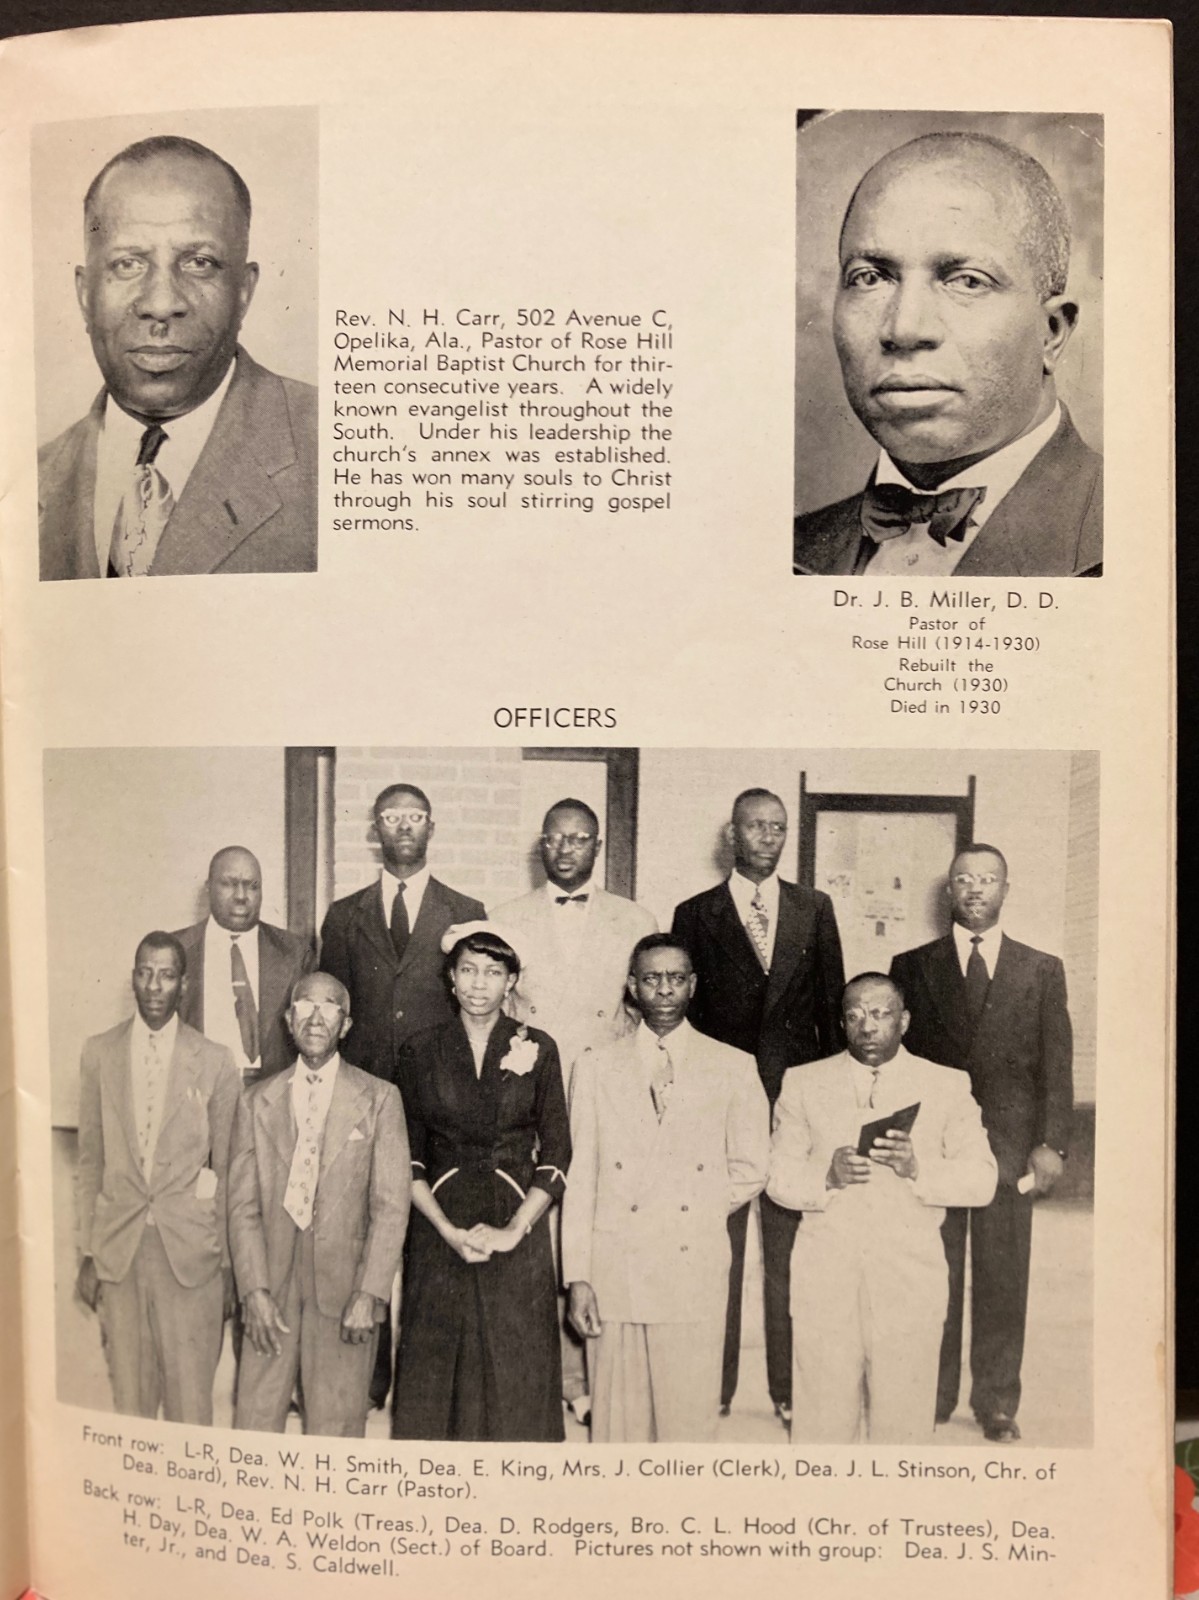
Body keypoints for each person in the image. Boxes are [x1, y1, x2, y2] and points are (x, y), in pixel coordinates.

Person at [793, 131, 1102, 579]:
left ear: (1051, 333)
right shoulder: (787, 551)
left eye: (967, 281)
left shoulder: (1144, 537)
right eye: (870, 278)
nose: (904, 329)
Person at [39, 134, 317, 580]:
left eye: (199, 262)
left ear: (244, 291)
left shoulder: (333, 446)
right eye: (128, 264)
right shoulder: (26, 485)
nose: (162, 303)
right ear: (85, 294)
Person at [671, 788, 844, 1425]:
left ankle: (789, 1388)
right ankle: (711, 1385)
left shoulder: (814, 908)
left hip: (797, 1102)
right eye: (754, 826)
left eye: (777, 828)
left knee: (789, 1256)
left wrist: (830, 1105)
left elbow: (832, 1013)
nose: (766, 838)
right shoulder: (695, 913)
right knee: (719, 1250)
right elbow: (681, 1014)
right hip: (721, 1104)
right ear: (731, 834)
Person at [890, 844, 1073, 1444]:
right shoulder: (912, 965)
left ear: (1006, 888)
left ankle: (996, 1401)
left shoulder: (1041, 968)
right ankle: (933, 1395)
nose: (975, 889)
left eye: (987, 879)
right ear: (948, 890)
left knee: (1002, 1277)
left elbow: (1056, 1064)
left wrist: (1053, 1145)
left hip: (1012, 1150)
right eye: (963, 880)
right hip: (935, 1149)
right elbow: (898, 1065)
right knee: (931, 1274)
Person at [768, 973, 997, 1444]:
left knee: (903, 1426)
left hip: (910, 1278)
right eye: (853, 1016)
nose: (866, 1026)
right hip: (825, 1276)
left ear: (905, 1020)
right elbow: (776, 1179)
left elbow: (983, 1181)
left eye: (880, 1013)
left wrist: (919, 1168)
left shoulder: (947, 1084)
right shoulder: (803, 1083)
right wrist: (825, 1178)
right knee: (821, 1426)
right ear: (841, 1023)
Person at [562, 933, 769, 1442]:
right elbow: (580, 1176)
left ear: (693, 985)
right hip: (617, 1262)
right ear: (632, 987)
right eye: (652, 979)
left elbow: (752, 1165)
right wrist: (577, 1276)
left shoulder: (733, 1065)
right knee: (619, 1424)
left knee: (687, 1419)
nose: (665, 990)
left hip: (691, 1257)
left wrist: (694, 1207)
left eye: (676, 978)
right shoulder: (592, 1066)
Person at [491, 796, 657, 1426]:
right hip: (535, 1089)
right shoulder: (505, 917)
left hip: (605, 1087)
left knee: (599, 1219)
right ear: (542, 845)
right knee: (544, 1223)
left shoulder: (635, 917)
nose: (567, 850)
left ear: (597, 846)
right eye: (556, 839)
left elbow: (646, 1010)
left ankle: (601, 1370)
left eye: (580, 839)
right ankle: (560, 1377)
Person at [319, 781, 485, 1410]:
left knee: (424, 1233)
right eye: (392, 818)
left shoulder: (465, 910)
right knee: (364, 1228)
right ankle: (367, 1377)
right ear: (376, 830)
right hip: (362, 1097)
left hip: (433, 1096)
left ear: (431, 827)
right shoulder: (344, 914)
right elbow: (331, 1005)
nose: (404, 827)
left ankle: (423, 1379)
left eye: (415, 817)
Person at [390, 924, 570, 1442]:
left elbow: (557, 1152)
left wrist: (515, 1230)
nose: (478, 984)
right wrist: (446, 1230)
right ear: (450, 978)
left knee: (517, 1367)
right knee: (437, 1363)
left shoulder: (539, 1047)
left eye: (493, 972)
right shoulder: (419, 1050)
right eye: (468, 970)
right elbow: (409, 1155)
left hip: (516, 1219)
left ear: (511, 980)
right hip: (439, 1223)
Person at [228, 972, 410, 1437]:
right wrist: (253, 1291)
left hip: (345, 1291)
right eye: (303, 1005)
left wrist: (370, 1294)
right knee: (254, 1422)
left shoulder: (380, 1099)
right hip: (271, 1286)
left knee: (336, 1430)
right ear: (288, 1020)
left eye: (328, 1006)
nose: (314, 1016)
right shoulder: (255, 1102)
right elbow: (242, 1207)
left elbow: (391, 1207)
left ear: (345, 1024)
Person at [74, 931, 240, 1424]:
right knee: (132, 1404)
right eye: (144, 973)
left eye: (166, 975)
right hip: (121, 1251)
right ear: (132, 978)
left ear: (183, 985)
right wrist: (87, 1251)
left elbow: (228, 1170)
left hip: (190, 1256)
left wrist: (230, 1264)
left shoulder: (214, 1060)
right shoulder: (98, 1053)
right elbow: (90, 1160)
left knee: (191, 1409)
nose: (153, 985)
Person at [174, 845, 314, 1087]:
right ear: (208, 888)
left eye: (252, 886)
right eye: (229, 884)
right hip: (196, 1097)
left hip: (272, 1099)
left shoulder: (294, 952)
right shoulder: (176, 950)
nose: (241, 896)